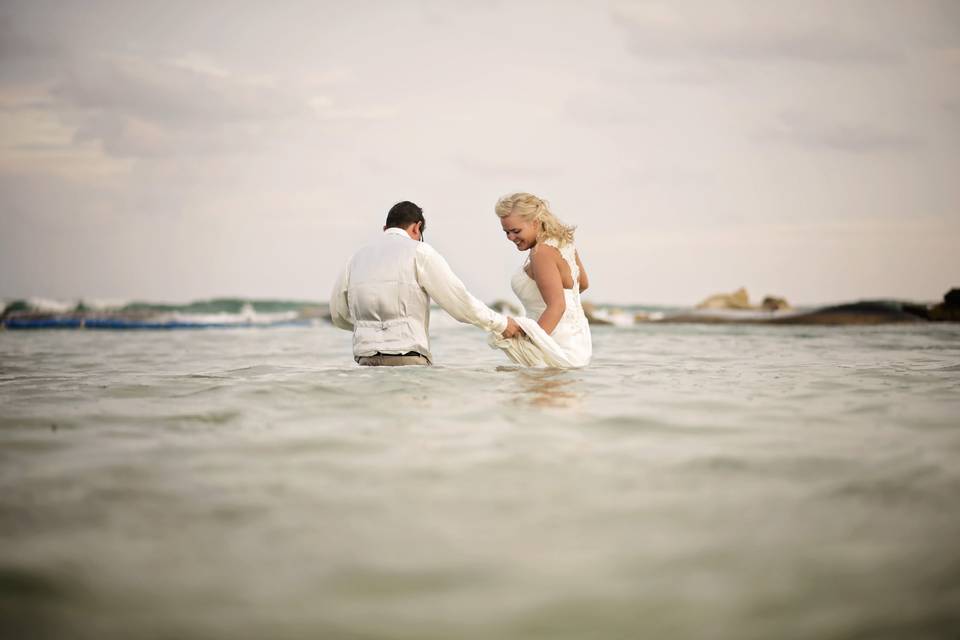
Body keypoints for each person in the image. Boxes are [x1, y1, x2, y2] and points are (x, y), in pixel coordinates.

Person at [330, 201, 522, 366]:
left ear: (385, 229)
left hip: (365, 360)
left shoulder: (356, 259)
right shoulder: (420, 252)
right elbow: (459, 302)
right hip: (408, 359)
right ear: (416, 227)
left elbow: (338, 314)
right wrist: (501, 324)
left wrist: (370, 329)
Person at [488, 193, 592, 368]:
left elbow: (557, 306)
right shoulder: (563, 243)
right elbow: (582, 284)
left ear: (535, 222)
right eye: (506, 232)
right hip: (575, 341)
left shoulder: (541, 252)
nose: (511, 238)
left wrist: (532, 346)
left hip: (554, 344)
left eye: (516, 231)